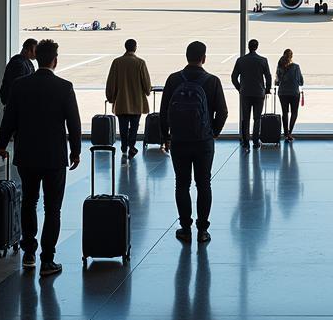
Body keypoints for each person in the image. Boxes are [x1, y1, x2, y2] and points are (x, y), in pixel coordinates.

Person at [0, 39, 81, 276]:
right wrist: (76, 151)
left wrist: (2, 145)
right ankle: (48, 259)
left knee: (29, 203)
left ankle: (29, 254)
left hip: (27, 155)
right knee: (53, 209)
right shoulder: (64, 87)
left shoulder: (20, 86)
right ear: (54, 60)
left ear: (37, 57)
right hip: (54, 157)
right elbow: (73, 123)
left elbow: (9, 118)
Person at [160, 40, 229, 243]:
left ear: (186, 56)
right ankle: (203, 230)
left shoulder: (173, 80)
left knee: (181, 184)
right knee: (203, 184)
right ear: (204, 58)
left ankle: (185, 227)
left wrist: (166, 137)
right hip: (203, 141)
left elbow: (164, 112)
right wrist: (213, 131)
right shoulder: (212, 81)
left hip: (179, 141)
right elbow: (223, 112)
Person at [105, 38, 152, 157]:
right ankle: (131, 146)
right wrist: (147, 91)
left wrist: (110, 97)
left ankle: (124, 145)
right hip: (137, 101)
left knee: (123, 126)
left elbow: (111, 81)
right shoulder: (140, 63)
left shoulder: (117, 62)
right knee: (134, 126)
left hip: (121, 101)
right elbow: (146, 83)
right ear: (135, 48)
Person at [231, 38, 271, 151]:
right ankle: (255, 141)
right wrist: (267, 89)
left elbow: (234, 77)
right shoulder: (263, 60)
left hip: (245, 93)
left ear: (248, 47)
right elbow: (268, 76)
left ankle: (245, 142)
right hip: (259, 93)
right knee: (257, 118)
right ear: (257, 47)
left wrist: (240, 88)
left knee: (246, 118)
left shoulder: (240, 60)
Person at [275, 48, 304, 142]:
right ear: (291, 56)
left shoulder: (280, 66)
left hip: (282, 93)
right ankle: (289, 132)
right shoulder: (296, 67)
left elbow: (277, 81)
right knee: (294, 112)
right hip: (294, 93)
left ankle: (285, 132)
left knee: (285, 112)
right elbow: (301, 82)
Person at [0, 38, 37, 106]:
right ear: (26, 50)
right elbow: (18, 86)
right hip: (16, 104)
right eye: (34, 51)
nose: (36, 54)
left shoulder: (26, 62)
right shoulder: (18, 64)